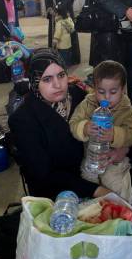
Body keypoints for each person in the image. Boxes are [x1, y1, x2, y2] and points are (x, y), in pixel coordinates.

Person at [8, 48, 118, 199]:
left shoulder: (80, 96)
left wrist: (122, 149)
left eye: (61, 75)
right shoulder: (23, 119)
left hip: (97, 172)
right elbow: (43, 175)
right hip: (59, 194)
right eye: (47, 79)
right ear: (35, 81)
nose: (58, 85)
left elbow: (116, 120)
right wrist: (95, 190)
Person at [69, 61, 132, 203]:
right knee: (87, 185)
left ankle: (123, 210)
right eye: (101, 92)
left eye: (113, 92)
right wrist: (84, 127)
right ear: (94, 88)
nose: (107, 97)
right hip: (90, 157)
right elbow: (73, 122)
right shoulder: (87, 104)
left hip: (114, 161)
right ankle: (91, 210)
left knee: (116, 186)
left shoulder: (127, 110)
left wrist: (115, 134)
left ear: (123, 89)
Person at [45, 0, 81, 65]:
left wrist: (59, 8)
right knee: (56, 36)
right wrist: (50, 8)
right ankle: (56, 58)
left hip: (65, 13)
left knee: (66, 37)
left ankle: (69, 59)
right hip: (53, 14)